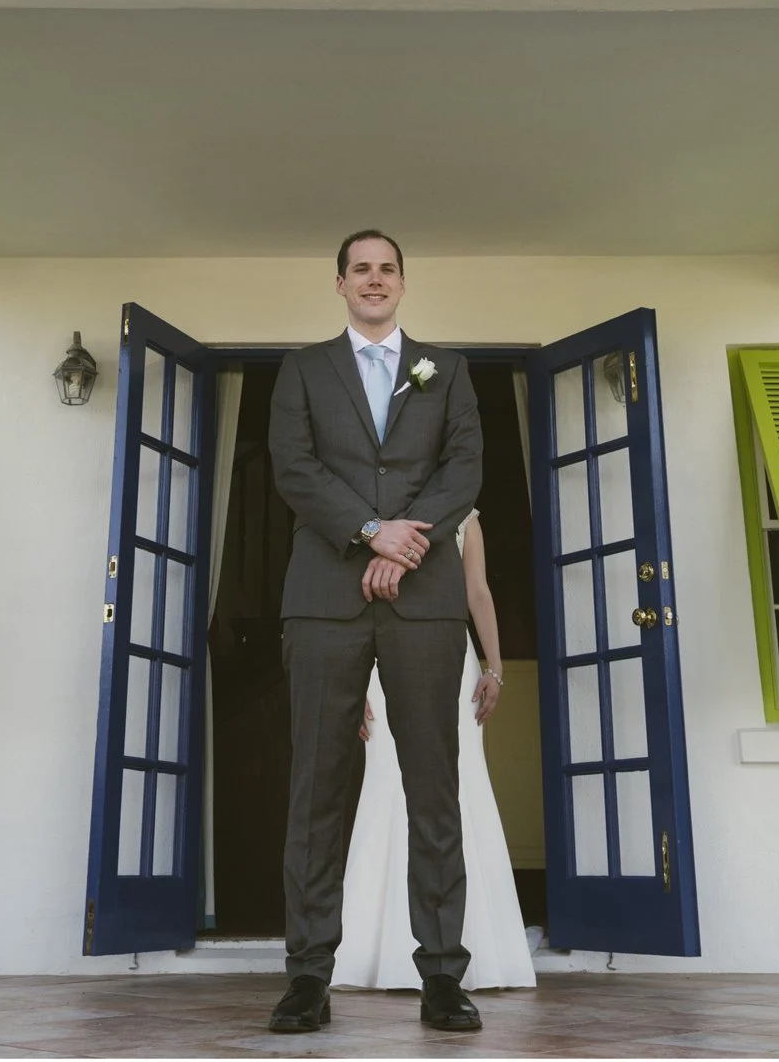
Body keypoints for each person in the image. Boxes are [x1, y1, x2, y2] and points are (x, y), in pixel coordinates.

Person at [265, 230, 485, 1035]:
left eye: (387, 268)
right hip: (324, 599)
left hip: (424, 599)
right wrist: (367, 530)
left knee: (434, 785)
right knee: (318, 787)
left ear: (403, 282)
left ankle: (441, 978)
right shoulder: (301, 369)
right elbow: (292, 465)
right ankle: (307, 977)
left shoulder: (449, 370)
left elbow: (464, 466)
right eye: (360, 268)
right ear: (339, 283)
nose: (374, 279)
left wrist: (406, 537)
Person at [333, 508, 536, 993]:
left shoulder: (464, 515)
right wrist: (352, 677)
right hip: (379, 657)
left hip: (452, 658)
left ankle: (470, 948)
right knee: (387, 786)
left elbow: (478, 592)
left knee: (458, 787)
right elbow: (353, 594)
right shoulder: (369, 508)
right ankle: (374, 949)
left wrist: (495, 668)